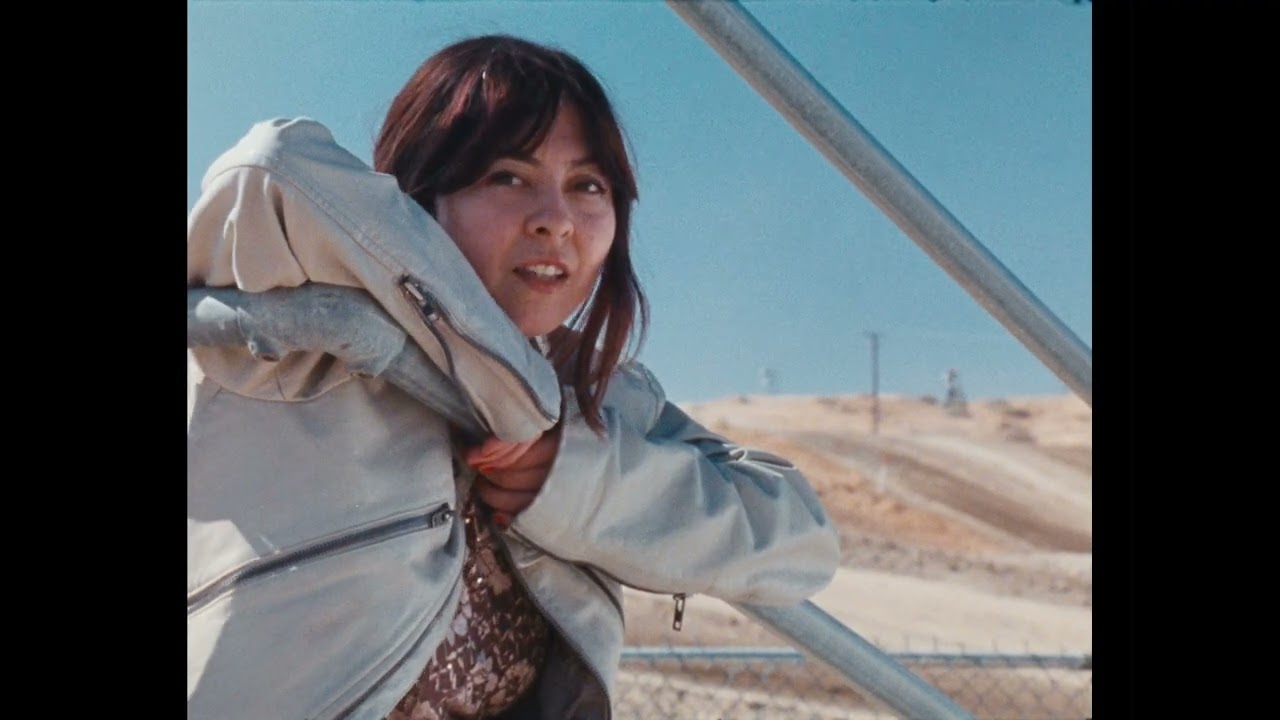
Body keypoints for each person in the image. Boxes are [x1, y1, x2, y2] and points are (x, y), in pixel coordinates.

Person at [187, 34, 840, 720]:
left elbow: (802, 541)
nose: (556, 222)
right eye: (507, 176)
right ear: (418, 198)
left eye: (588, 186)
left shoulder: (603, 394)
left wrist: (576, 480)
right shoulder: (314, 339)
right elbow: (271, 167)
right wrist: (498, 384)